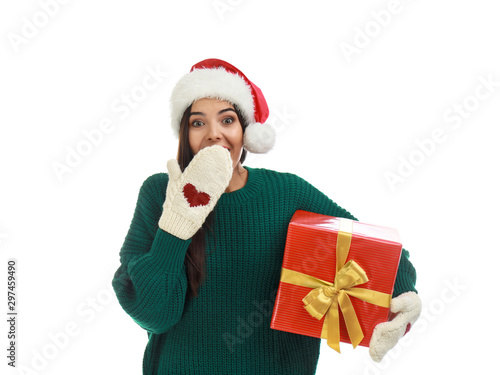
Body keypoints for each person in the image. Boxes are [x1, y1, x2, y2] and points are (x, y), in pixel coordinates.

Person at [111, 58, 421, 375]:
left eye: (227, 120)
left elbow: (381, 255)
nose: (214, 134)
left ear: (247, 132)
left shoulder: (286, 193)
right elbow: (153, 313)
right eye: (198, 123)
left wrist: (405, 300)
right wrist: (177, 223)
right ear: (185, 133)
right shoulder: (158, 192)